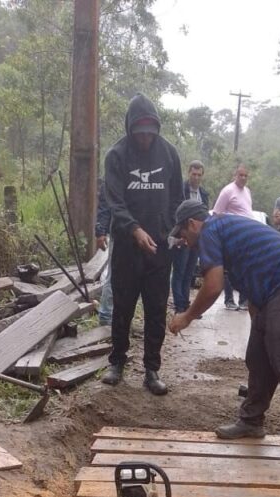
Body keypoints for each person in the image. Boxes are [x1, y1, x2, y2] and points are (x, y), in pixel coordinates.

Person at [167, 200, 280, 447]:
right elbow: (252, 277)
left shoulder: (209, 231)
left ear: (193, 223)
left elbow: (213, 285)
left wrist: (187, 316)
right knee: (258, 357)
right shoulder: (221, 229)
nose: (184, 241)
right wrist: (259, 328)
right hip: (272, 293)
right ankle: (251, 420)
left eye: (183, 234)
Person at [102, 93, 182, 395]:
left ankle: (152, 369)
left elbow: (177, 198)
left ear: (156, 129)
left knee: (156, 308)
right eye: (140, 134)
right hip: (127, 247)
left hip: (160, 249)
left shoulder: (169, 154)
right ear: (131, 129)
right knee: (122, 305)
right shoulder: (117, 155)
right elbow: (115, 201)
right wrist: (135, 229)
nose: (146, 139)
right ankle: (117, 362)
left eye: (150, 133)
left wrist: (172, 231)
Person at [212, 163, 252, 310]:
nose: (243, 178)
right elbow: (216, 213)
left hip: (246, 236)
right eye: (240, 175)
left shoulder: (247, 191)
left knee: (244, 268)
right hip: (232, 236)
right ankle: (229, 300)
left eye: (245, 175)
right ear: (235, 175)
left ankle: (243, 301)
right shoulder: (228, 191)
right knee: (229, 269)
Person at [171, 161, 209, 313]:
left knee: (190, 272)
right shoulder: (180, 190)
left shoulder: (204, 194)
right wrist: (177, 236)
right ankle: (179, 305)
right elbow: (175, 212)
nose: (196, 177)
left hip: (197, 238)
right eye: (194, 174)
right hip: (183, 235)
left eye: (199, 175)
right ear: (189, 173)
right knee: (179, 271)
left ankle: (186, 305)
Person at [94, 179, 113, 323]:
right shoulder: (113, 175)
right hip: (118, 232)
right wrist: (101, 232)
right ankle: (106, 316)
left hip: (138, 233)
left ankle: (118, 315)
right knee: (114, 275)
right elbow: (105, 206)